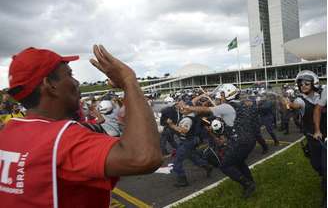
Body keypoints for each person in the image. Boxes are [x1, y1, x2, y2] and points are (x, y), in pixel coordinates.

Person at [0, 46, 162, 208]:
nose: (76, 82)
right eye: (70, 75)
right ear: (50, 84)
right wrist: (129, 81)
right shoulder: (61, 139)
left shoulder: (8, 132)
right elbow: (143, 157)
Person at [183, 84, 256, 198]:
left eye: (222, 95)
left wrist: (189, 108)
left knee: (225, 166)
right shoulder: (242, 104)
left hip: (240, 141)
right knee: (239, 162)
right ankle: (251, 181)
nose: (220, 98)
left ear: (227, 94)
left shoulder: (227, 107)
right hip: (249, 139)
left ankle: (247, 184)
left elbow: (206, 109)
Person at [287, 70, 326, 207]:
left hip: (325, 135)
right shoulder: (300, 100)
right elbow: (295, 105)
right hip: (313, 137)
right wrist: (287, 103)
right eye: (301, 84)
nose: (303, 86)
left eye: (306, 83)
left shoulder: (322, 95)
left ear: (313, 84)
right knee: (316, 164)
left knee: (325, 164)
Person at [167, 101, 212, 187]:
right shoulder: (188, 116)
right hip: (189, 140)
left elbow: (183, 130)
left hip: (187, 141)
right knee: (193, 157)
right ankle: (206, 166)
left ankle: (182, 180)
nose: (181, 109)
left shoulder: (188, 119)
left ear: (190, 109)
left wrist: (171, 125)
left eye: (184, 108)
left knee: (177, 161)